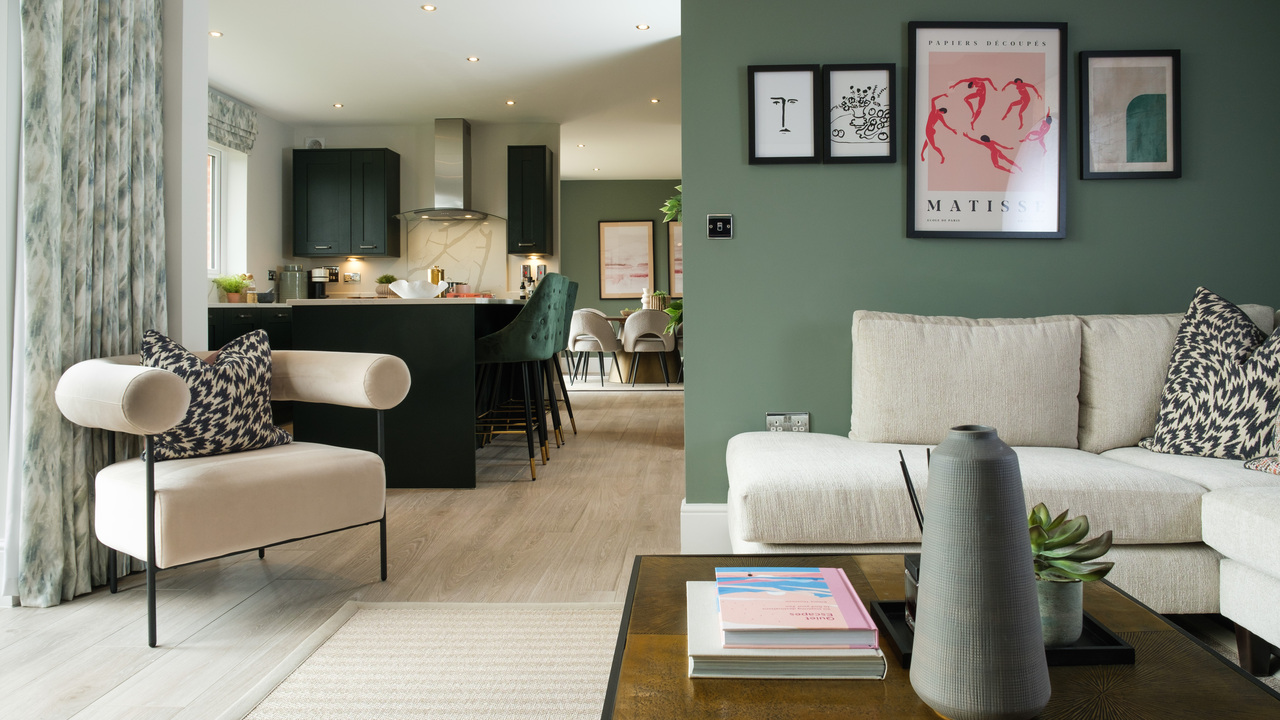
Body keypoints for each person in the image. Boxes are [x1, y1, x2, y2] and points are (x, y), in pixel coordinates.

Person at [920, 93, 957, 163]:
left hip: (929, 130)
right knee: (927, 142)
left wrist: (952, 129)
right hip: (929, 129)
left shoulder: (939, 115)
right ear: (942, 111)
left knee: (932, 145)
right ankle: (922, 154)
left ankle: (942, 157)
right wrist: (942, 95)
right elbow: (933, 100)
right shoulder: (935, 111)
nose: (942, 114)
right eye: (943, 113)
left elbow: (945, 124)